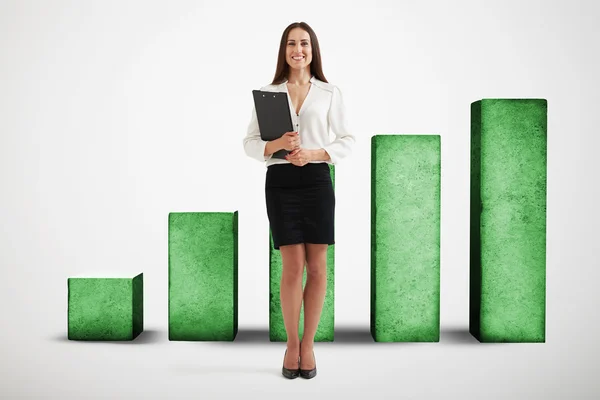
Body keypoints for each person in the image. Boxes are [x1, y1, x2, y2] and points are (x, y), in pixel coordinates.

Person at [243, 21, 355, 379]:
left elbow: (348, 139)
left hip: (317, 181)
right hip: (280, 183)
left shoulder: (329, 92)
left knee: (318, 267)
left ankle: (309, 346)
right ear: (284, 50)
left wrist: (315, 153)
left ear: (313, 49)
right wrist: (276, 146)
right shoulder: (269, 92)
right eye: (291, 43)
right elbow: (249, 143)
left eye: (304, 43)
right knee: (292, 266)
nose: (298, 50)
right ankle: (292, 345)